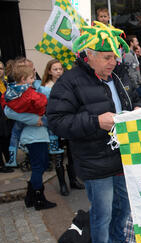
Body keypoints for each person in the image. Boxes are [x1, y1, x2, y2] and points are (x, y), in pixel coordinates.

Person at [47, 22, 141, 243]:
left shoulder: (115, 76)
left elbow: (123, 105)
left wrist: (132, 113)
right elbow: (56, 121)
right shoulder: (70, 81)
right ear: (89, 56)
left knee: (123, 206)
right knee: (103, 212)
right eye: (107, 57)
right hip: (93, 160)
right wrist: (95, 122)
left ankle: (118, 241)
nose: (114, 62)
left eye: (115, 56)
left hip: (120, 155)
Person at [2, 64, 57, 210]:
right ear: (23, 78)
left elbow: (50, 93)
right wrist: (35, 119)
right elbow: (9, 112)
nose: (34, 79)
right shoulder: (19, 93)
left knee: (42, 164)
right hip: (33, 136)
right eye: (31, 77)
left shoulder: (31, 89)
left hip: (39, 134)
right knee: (39, 167)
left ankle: (30, 196)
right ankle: (39, 199)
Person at [41, 59, 85, 196]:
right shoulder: (45, 88)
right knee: (58, 156)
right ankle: (62, 184)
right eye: (55, 69)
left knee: (72, 154)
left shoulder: (68, 84)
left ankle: (73, 180)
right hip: (54, 127)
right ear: (49, 71)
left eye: (60, 69)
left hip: (69, 124)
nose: (59, 71)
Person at [123, 35, 141, 99]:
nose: (138, 43)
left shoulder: (132, 53)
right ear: (131, 43)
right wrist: (135, 84)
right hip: (134, 85)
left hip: (136, 84)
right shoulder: (128, 54)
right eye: (136, 41)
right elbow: (130, 70)